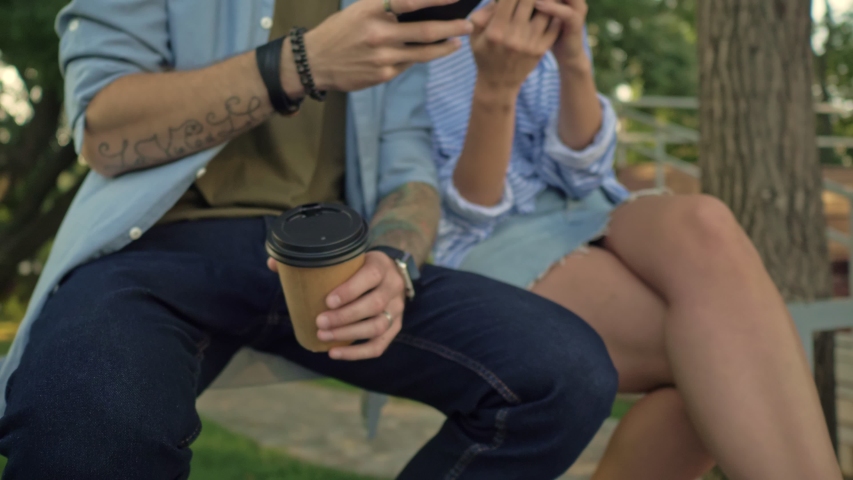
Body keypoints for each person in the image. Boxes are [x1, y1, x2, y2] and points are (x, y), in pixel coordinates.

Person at [0, 0, 620, 479]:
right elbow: (103, 133)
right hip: (161, 248)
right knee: (83, 420)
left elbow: (410, 175)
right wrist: (302, 63)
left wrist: (397, 259)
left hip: (342, 261)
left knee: (565, 374)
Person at [427, 0, 843, 479]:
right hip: (483, 236)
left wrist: (573, 57)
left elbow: (586, 174)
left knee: (704, 222)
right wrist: (496, 88)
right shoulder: (396, 17)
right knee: (721, 364)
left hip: (588, 209)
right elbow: (470, 209)